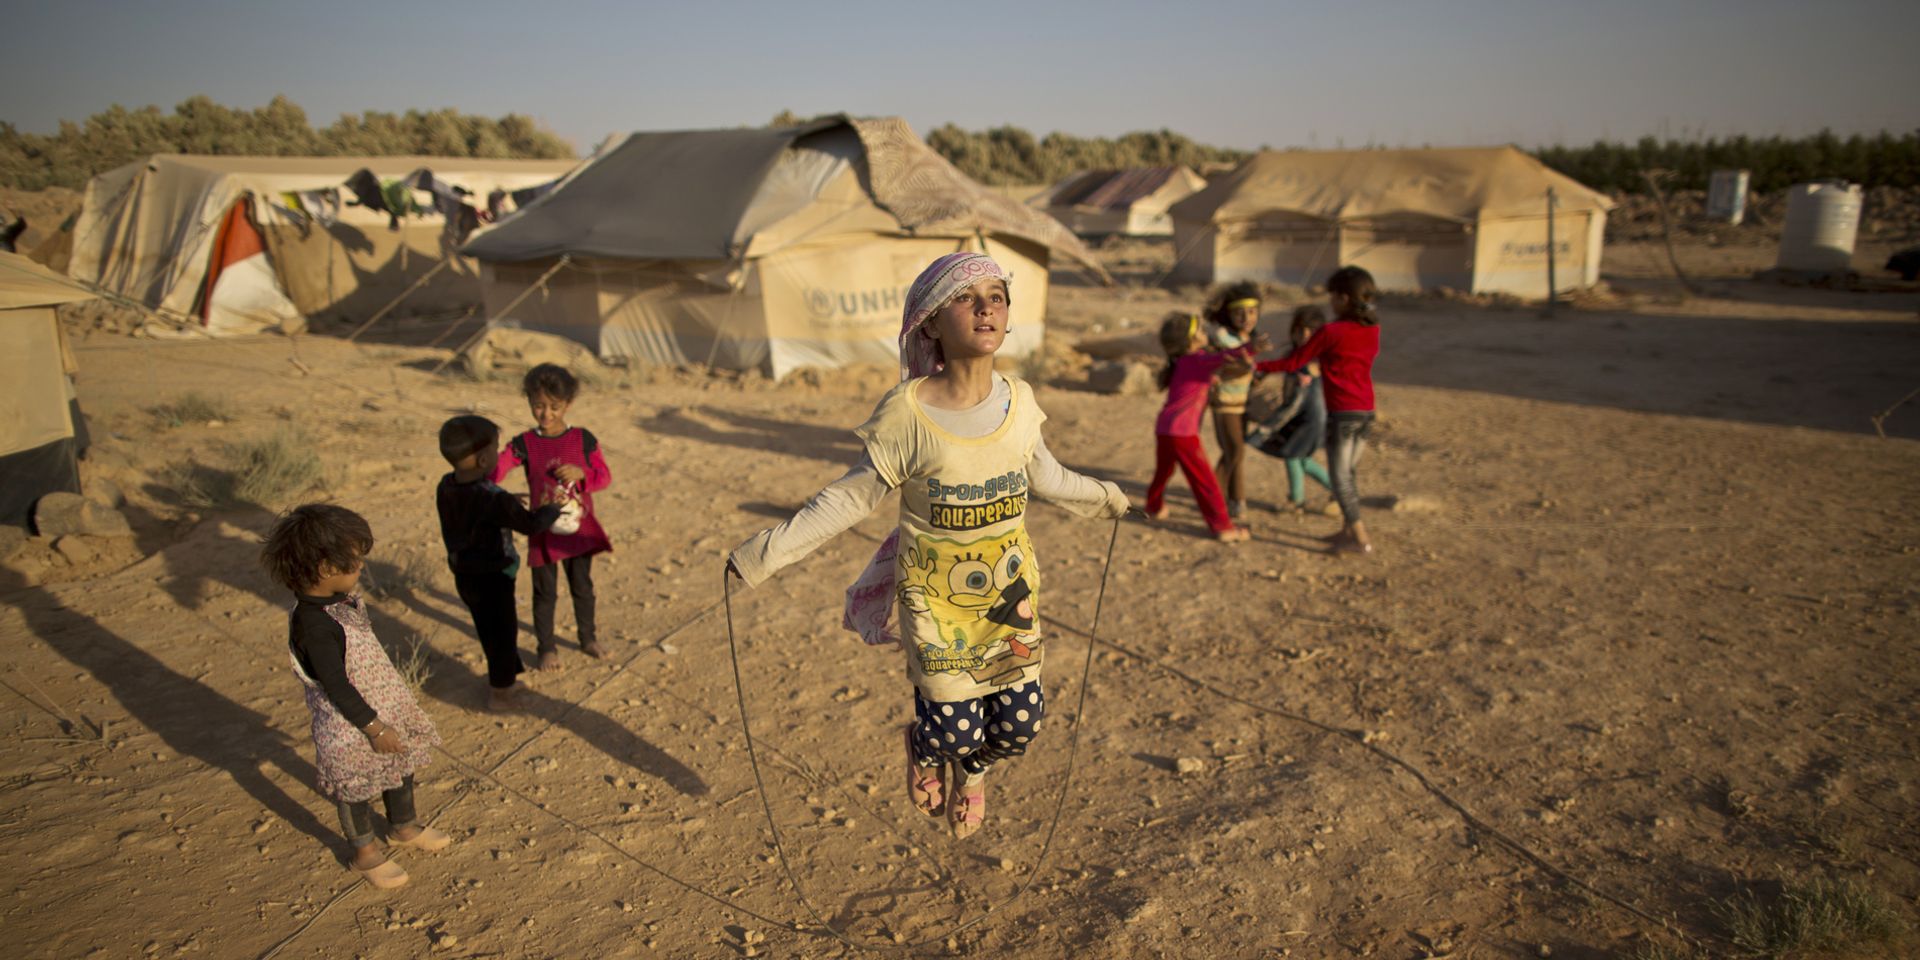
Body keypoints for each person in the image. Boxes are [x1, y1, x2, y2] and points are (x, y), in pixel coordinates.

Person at [727, 252, 1128, 840]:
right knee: (952, 731)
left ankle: (973, 777)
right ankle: (924, 746)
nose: (987, 306)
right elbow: (849, 499)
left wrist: (1109, 497)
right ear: (932, 323)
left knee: (1019, 726)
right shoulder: (906, 414)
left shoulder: (1019, 401)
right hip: (936, 608)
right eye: (967, 297)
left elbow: (1050, 478)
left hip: (1010, 601)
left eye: (997, 295)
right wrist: (763, 554)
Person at [260, 504, 448, 890]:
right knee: (354, 785)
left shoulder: (336, 602)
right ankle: (364, 853)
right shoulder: (313, 625)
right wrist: (375, 728)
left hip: (380, 708)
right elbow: (337, 685)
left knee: (399, 765)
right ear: (327, 569)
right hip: (350, 723)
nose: (361, 567)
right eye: (356, 561)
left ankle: (403, 827)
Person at [437, 415, 565, 711]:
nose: (499, 453)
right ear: (484, 459)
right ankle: (500, 692)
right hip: (493, 577)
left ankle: (505, 679)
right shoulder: (493, 499)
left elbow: (477, 507)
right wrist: (553, 509)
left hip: (464, 574)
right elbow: (532, 525)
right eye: (496, 448)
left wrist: (506, 501)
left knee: (489, 628)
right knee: (502, 632)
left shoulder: (447, 485)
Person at [491, 364, 613, 669]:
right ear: (530, 402)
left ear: (568, 404)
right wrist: (498, 492)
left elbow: (604, 476)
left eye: (554, 407)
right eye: (538, 405)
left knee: (582, 587)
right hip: (542, 529)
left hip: (578, 529)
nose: (546, 414)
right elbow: (496, 472)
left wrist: (582, 474)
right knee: (544, 592)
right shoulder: (524, 444)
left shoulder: (583, 440)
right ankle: (547, 647)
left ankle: (588, 638)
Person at [1255, 267, 1382, 554]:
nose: (1331, 302)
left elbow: (1294, 361)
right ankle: (1346, 531)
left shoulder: (1332, 331)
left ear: (1344, 298)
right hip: (1365, 410)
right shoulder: (1372, 330)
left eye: (1334, 297)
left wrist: (1258, 367)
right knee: (1348, 473)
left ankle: (1361, 538)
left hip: (1342, 412)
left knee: (1340, 477)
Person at [1145, 312, 1261, 542]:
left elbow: (1214, 371)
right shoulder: (1197, 360)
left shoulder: (1185, 363)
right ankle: (1223, 527)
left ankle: (1154, 506)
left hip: (1165, 428)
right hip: (1183, 433)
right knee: (1206, 481)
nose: (1204, 333)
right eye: (1199, 331)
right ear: (1189, 341)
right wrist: (1251, 347)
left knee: (1164, 472)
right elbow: (1225, 356)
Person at [1247, 306, 1333, 513]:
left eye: (1310, 331)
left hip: (1310, 419)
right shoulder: (1297, 356)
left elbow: (1294, 395)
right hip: (1300, 417)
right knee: (1301, 458)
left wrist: (1271, 424)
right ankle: (1339, 491)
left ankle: (1297, 500)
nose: (1304, 335)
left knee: (1293, 455)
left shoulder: (1312, 361)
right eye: (1300, 329)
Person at [1204, 282, 1263, 518]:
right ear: (1228, 313)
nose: (1246, 317)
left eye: (1251, 312)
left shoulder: (1250, 338)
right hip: (1224, 403)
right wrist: (1246, 364)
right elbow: (1223, 367)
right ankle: (1215, 497)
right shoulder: (1221, 337)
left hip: (1243, 403)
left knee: (1234, 452)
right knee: (1235, 450)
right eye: (1240, 312)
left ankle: (1235, 499)